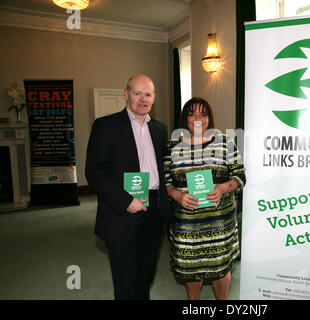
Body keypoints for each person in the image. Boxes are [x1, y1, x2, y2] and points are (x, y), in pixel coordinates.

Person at [85, 74, 172, 300]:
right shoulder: (105, 126)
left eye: (148, 94)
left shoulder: (161, 129)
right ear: (126, 94)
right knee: (125, 283)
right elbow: (94, 172)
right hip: (121, 213)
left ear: (154, 98)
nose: (143, 99)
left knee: (145, 277)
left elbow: (166, 169)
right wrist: (127, 201)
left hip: (154, 212)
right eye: (137, 93)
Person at [163, 97, 245, 300]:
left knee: (220, 270)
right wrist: (177, 194)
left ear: (210, 118)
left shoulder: (225, 143)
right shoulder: (172, 146)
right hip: (187, 227)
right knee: (191, 270)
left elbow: (240, 176)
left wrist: (223, 188)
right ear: (185, 118)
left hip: (219, 225)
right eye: (192, 113)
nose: (198, 118)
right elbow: (164, 181)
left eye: (204, 113)